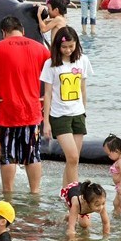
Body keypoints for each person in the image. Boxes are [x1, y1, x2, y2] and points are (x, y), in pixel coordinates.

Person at [0, 16, 50, 194]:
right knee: (32, 155)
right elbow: (55, 71)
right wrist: (47, 96)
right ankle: (35, 192)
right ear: (22, 31)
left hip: (5, 112)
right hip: (31, 111)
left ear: (4, 32)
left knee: (7, 156)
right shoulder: (39, 48)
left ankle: (8, 194)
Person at [41, 27, 94, 188]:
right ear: (57, 46)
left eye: (71, 46)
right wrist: (46, 122)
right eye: (64, 47)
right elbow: (48, 94)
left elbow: (83, 88)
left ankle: (65, 192)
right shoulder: (50, 64)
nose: (68, 50)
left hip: (78, 114)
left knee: (74, 159)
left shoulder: (82, 60)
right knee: (72, 157)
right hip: (59, 115)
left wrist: (84, 111)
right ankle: (75, 194)